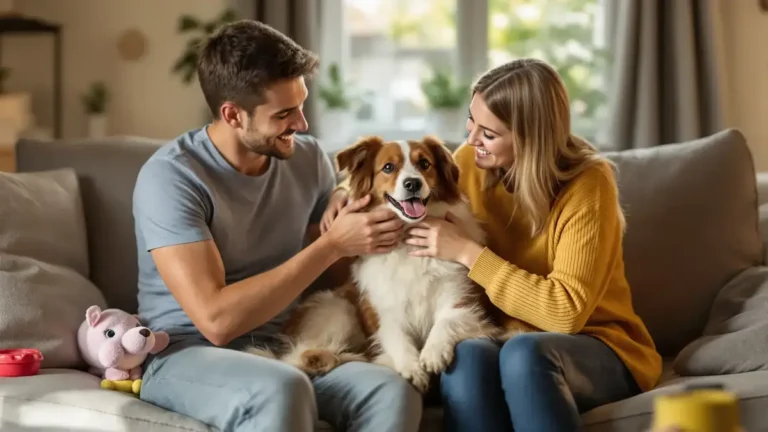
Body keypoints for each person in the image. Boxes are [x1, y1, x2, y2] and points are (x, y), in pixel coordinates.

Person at [322, 58, 662, 431]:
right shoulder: (473, 160)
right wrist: (341, 193)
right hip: (503, 336)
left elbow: (565, 315)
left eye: (488, 132)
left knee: (525, 353)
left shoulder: (588, 184)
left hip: (596, 345)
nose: (470, 140)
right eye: (472, 121)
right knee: (465, 357)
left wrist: (467, 252)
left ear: (531, 137)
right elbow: (415, 175)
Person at [132, 20, 421, 432]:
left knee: (392, 389)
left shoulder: (307, 159)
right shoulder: (172, 178)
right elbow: (216, 322)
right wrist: (330, 246)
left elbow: (336, 275)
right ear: (233, 114)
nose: (302, 124)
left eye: (301, 104)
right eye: (284, 114)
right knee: (283, 388)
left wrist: (355, 217)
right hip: (184, 354)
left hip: (286, 344)